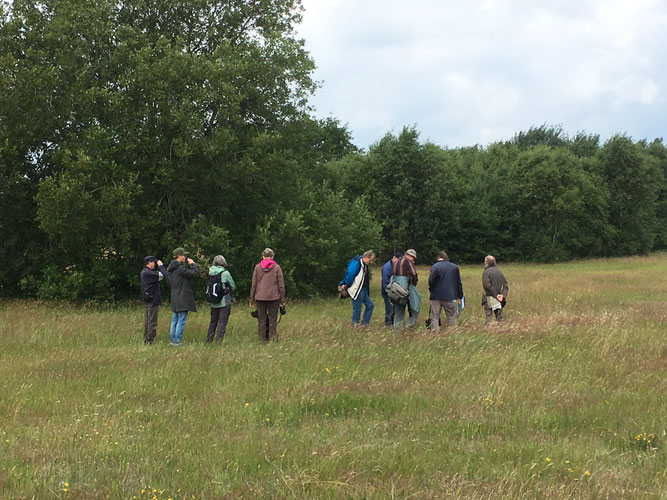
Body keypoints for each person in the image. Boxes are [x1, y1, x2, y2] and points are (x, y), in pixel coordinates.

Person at [249, 248, 286, 342]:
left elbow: (254, 284)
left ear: (263, 256)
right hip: (274, 297)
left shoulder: (257, 267)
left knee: (262, 319)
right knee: (272, 319)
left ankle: (262, 340)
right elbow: (281, 285)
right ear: (272, 256)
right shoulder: (277, 268)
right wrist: (282, 300)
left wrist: (252, 299)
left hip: (260, 297)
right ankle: (272, 339)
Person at [167, 247, 199, 346]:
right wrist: (193, 264)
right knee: (181, 320)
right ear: (179, 256)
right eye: (184, 255)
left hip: (175, 297)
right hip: (183, 297)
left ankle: (172, 340)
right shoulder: (180, 268)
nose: (185, 257)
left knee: (175, 320)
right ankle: (177, 341)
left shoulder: (170, 269)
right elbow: (194, 274)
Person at [428, 251, 464, 330]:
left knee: (435, 317)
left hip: (436, 296)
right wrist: (460, 295)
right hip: (450, 296)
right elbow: (459, 283)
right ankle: (453, 334)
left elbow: (431, 281)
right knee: (452, 318)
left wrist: (431, 290)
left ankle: (435, 334)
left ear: (438, 257)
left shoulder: (435, 267)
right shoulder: (455, 267)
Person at [340, 250, 376, 327]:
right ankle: (355, 324)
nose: (371, 262)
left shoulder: (364, 265)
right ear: (366, 257)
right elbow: (350, 275)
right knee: (357, 307)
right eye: (371, 260)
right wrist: (346, 284)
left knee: (370, 305)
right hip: (357, 289)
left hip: (363, 289)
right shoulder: (356, 263)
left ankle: (364, 324)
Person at [206, 254, 236, 344]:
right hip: (224, 301)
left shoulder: (210, 272)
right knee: (222, 322)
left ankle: (209, 340)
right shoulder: (225, 273)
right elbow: (233, 286)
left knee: (213, 322)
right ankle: (218, 341)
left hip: (213, 301)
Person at [140, 256, 166, 344]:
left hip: (148, 299)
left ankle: (146, 339)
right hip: (152, 300)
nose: (155, 264)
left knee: (148, 321)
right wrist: (161, 266)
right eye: (153, 262)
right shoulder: (148, 273)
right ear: (149, 262)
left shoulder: (145, 272)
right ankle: (150, 341)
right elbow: (163, 275)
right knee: (152, 322)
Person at [391, 249, 419, 329]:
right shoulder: (409, 261)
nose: (413, 260)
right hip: (405, 289)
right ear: (410, 256)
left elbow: (392, 274)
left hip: (395, 289)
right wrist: (414, 283)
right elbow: (414, 274)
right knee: (415, 308)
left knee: (398, 311)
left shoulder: (397, 261)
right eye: (413, 258)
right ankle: (409, 326)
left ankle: (397, 330)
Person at [482, 255, 508, 324]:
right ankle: (502, 330)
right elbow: (505, 285)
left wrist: (496, 295)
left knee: (489, 317)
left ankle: (489, 331)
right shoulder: (499, 272)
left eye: (485, 262)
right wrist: (502, 295)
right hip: (499, 299)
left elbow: (487, 286)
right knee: (499, 317)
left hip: (489, 297)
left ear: (486, 263)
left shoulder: (486, 272)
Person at [381, 252, 402, 326]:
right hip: (387, 291)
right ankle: (388, 323)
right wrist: (388, 292)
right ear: (394, 258)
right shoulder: (387, 267)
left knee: (394, 308)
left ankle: (393, 322)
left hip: (394, 291)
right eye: (398, 260)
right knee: (389, 309)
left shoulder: (396, 265)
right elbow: (385, 281)